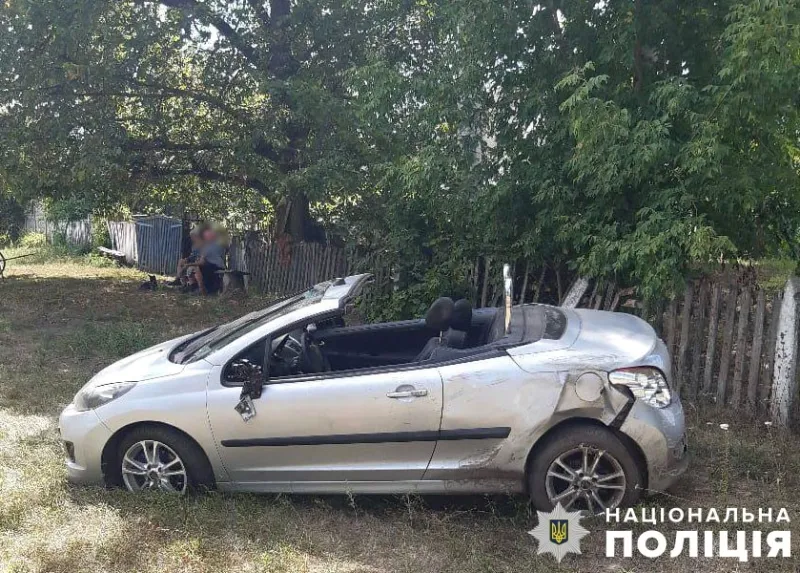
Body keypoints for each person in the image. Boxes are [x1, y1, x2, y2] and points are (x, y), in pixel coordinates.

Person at [192, 227, 225, 295]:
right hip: (216, 265)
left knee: (197, 268)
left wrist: (190, 264)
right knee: (198, 268)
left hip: (215, 266)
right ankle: (197, 287)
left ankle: (202, 289)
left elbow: (202, 261)